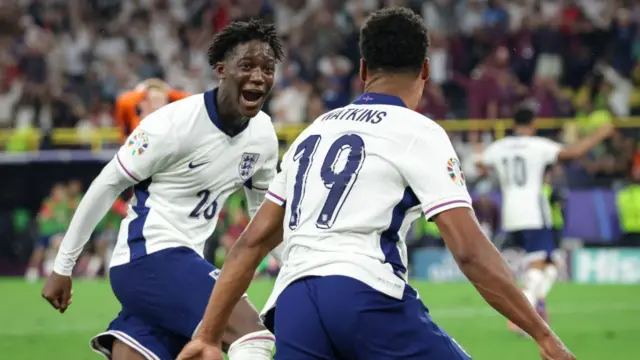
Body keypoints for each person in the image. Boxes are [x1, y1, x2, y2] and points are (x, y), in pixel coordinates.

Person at [178, 8, 575, 360]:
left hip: (293, 303)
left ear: (364, 70)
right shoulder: (420, 132)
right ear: (424, 70)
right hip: (364, 295)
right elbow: (469, 251)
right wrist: (542, 334)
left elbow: (250, 243)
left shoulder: (314, 132)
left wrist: (209, 334)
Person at [41, 20, 284, 360]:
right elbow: (106, 184)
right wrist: (62, 267)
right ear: (221, 70)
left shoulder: (262, 135)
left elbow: (264, 219)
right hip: (148, 257)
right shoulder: (171, 125)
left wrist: (296, 268)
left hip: (180, 268)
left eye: (268, 69)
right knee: (253, 337)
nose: (259, 77)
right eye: (247, 66)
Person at [478, 107, 613, 332]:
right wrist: (600, 134)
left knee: (551, 263)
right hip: (534, 211)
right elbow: (573, 153)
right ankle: (522, 309)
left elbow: (480, 163)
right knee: (541, 262)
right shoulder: (538, 145)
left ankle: (538, 304)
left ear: (513, 125)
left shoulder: (499, 147)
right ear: (533, 125)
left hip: (510, 211)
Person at [114, 78, 191, 140]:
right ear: (142, 103)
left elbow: (189, 99)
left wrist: (169, 92)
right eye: (153, 99)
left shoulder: (172, 121)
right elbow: (122, 101)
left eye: (159, 99)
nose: (156, 104)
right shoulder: (137, 122)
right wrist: (141, 92)